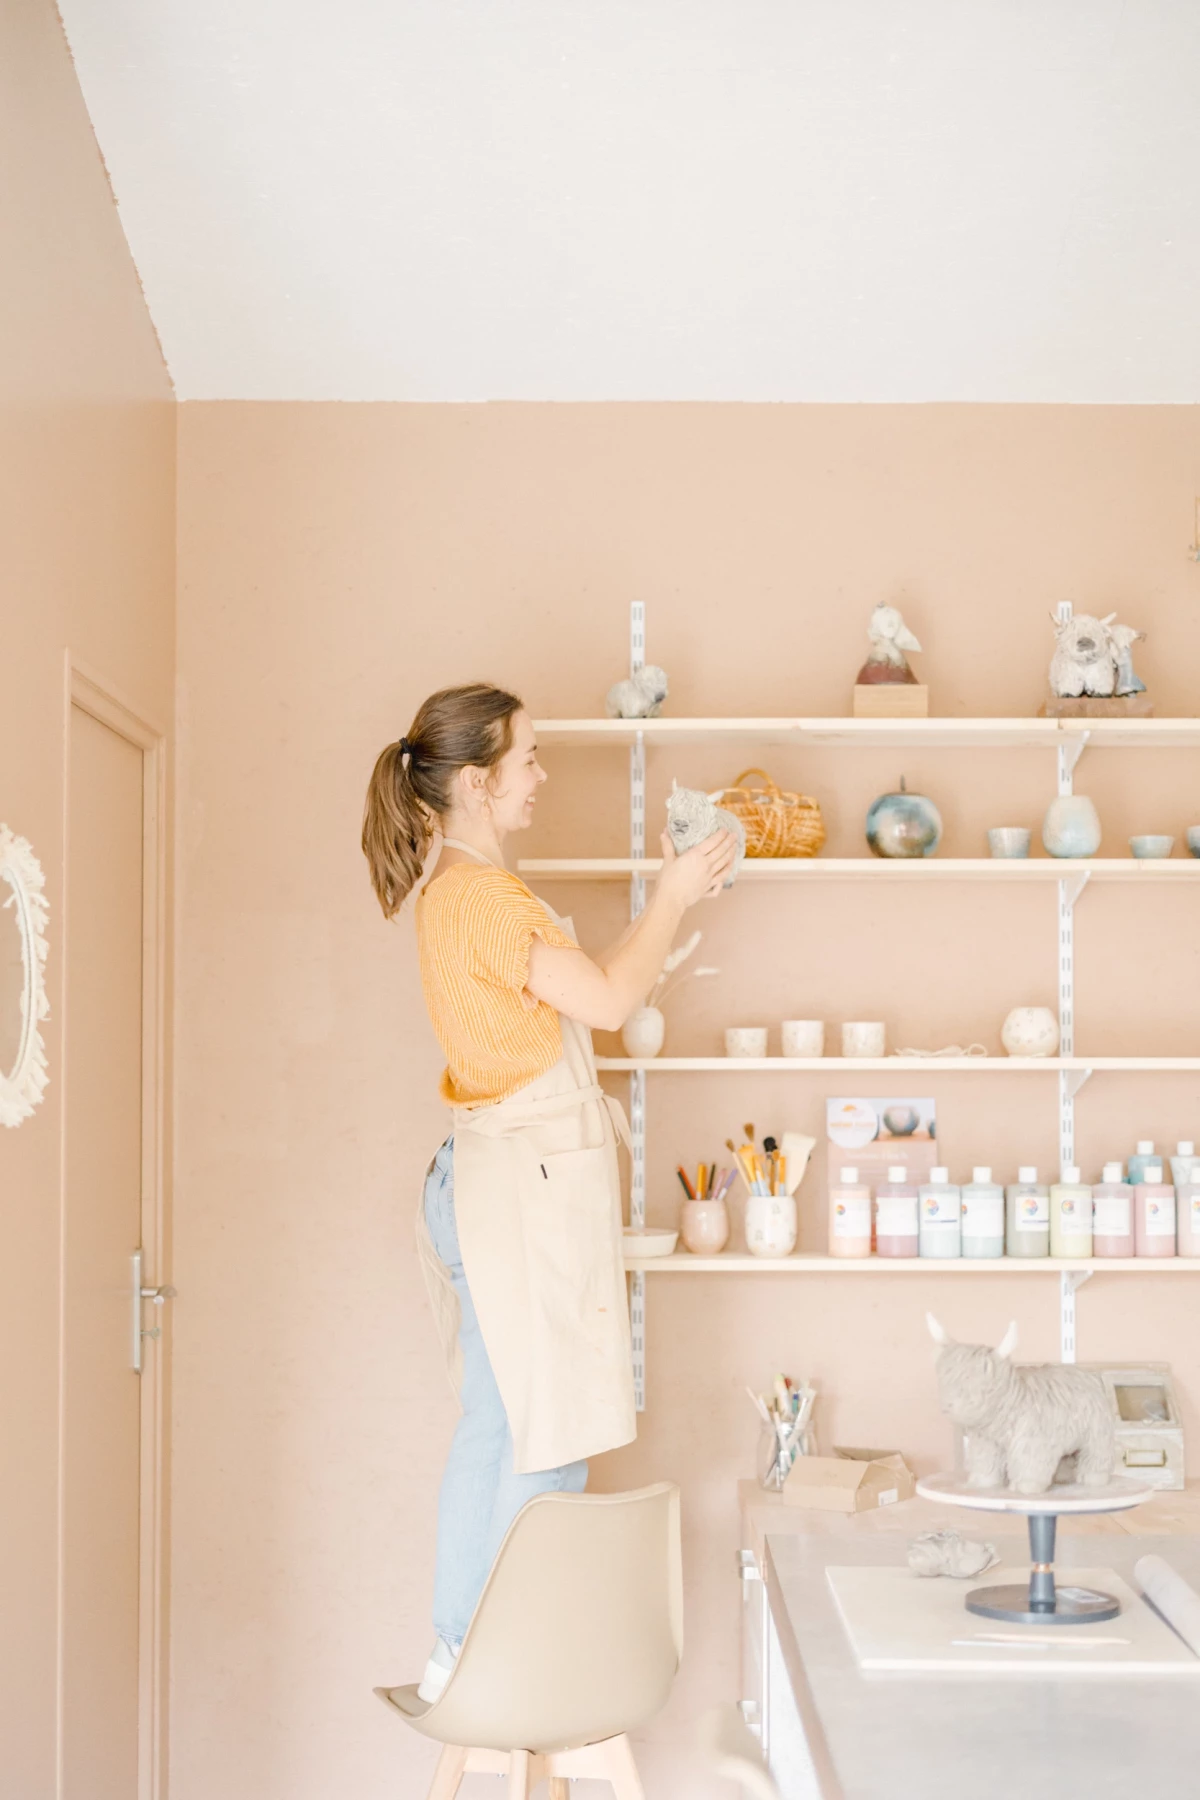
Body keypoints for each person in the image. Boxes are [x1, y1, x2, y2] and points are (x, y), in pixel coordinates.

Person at [362, 682, 736, 1700]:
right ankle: (504, 1665)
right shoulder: (486, 899)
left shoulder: (457, 892)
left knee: (497, 1424)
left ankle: (457, 1652)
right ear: (478, 784)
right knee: (551, 1432)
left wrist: (665, 896)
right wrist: (673, 896)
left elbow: (586, 987)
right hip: (517, 1188)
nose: (540, 776)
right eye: (527, 758)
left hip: (484, 1177)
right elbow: (610, 1000)